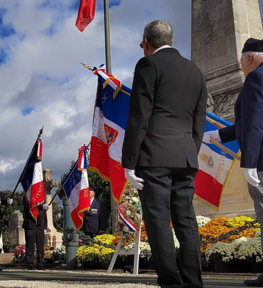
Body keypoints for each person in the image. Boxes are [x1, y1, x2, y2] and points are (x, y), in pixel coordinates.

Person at [121, 20, 206, 288]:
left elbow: (139, 116)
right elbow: (199, 120)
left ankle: (170, 283)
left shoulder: (147, 65)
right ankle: (193, 282)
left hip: (154, 156)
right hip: (185, 155)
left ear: (147, 42)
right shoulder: (195, 71)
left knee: (158, 221)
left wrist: (129, 163)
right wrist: (190, 151)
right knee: (186, 221)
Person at [203, 38, 263, 287]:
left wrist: (249, 162)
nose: (241, 66)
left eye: (241, 61)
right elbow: (248, 122)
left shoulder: (255, 78)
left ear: (249, 57)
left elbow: (255, 122)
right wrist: (219, 135)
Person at [22, 195, 49, 270]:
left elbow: (44, 213)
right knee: (30, 245)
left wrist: (45, 226)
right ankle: (29, 263)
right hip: (30, 223)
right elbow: (29, 206)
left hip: (40, 224)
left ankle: (40, 263)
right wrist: (41, 206)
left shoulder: (41, 197)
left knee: (40, 245)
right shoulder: (26, 196)